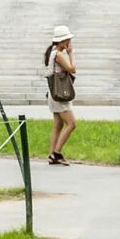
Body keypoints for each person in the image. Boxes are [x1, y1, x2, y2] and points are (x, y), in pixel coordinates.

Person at [43, 25, 78, 164]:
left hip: (54, 93)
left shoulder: (52, 52)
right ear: (63, 41)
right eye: (68, 39)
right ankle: (56, 153)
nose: (69, 42)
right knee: (71, 123)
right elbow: (72, 69)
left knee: (57, 125)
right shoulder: (58, 55)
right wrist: (71, 54)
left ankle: (52, 154)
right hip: (60, 94)